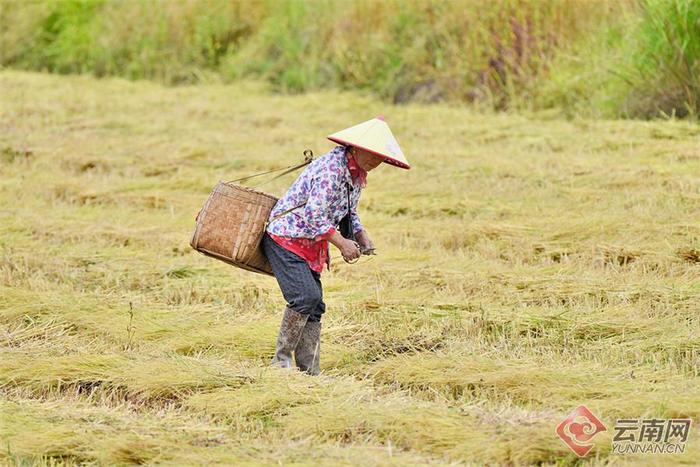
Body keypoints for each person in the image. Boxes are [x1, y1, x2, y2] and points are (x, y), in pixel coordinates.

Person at [262, 116, 410, 375]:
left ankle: (309, 370)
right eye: (372, 155)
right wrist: (342, 243)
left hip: (310, 243)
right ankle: (280, 362)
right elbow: (314, 215)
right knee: (304, 298)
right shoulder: (332, 170)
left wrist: (361, 234)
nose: (376, 163)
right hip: (287, 238)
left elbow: (347, 212)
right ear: (355, 147)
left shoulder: (357, 174)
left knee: (315, 306)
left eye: (380, 159)